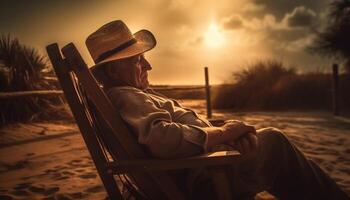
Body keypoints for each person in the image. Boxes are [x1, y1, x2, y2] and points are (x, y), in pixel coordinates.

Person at [86, 20, 349, 199]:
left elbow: (166, 133)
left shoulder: (131, 96)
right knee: (275, 142)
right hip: (206, 179)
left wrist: (226, 130)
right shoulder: (126, 96)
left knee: (268, 146)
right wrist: (223, 134)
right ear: (112, 69)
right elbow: (164, 140)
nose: (148, 66)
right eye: (139, 60)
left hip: (204, 168)